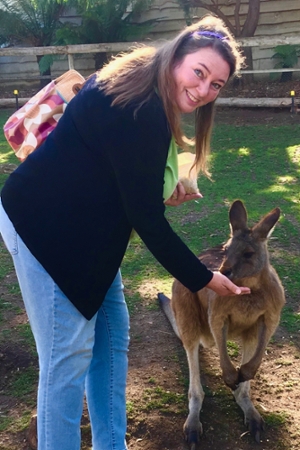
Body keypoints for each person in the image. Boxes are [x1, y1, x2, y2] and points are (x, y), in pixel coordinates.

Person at [0, 14, 249, 450]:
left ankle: (110, 444)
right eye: (200, 72)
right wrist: (205, 278)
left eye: (217, 84)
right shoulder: (142, 109)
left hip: (89, 233)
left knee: (111, 340)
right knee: (66, 359)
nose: (204, 89)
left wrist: (155, 193)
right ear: (178, 57)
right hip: (43, 229)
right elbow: (146, 219)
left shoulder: (138, 79)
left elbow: (124, 178)